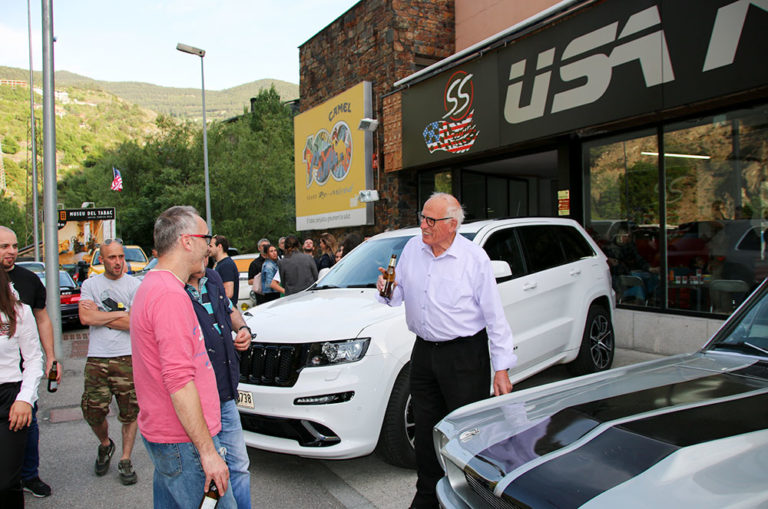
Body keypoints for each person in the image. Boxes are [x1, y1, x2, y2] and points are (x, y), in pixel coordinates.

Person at [375, 192, 516, 509]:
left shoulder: (473, 258)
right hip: (424, 353)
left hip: (464, 356)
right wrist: (385, 288)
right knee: (425, 429)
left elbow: (494, 316)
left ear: (452, 224)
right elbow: (396, 296)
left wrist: (501, 367)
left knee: (467, 431)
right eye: (422, 217)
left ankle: (469, 496)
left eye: (431, 220)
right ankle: (427, 495)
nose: (423, 225)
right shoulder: (412, 249)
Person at [130, 206, 235, 508]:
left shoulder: (154, 285)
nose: (209, 247)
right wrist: (208, 452)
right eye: (206, 238)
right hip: (184, 441)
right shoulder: (169, 295)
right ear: (187, 241)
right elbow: (179, 380)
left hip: (170, 437)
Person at [186, 267, 252, 508]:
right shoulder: (174, 288)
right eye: (202, 249)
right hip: (197, 400)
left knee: (239, 466)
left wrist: (243, 329)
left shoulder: (212, 278)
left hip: (225, 394)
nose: (205, 255)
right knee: (209, 475)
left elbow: (230, 309)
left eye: (208, 251)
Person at [77, 238, 141, 485]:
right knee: (93, 411)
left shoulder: (135, 285)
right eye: (112, 257)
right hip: (97, 357)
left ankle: (125, 458)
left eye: (121, 257)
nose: (118, 262)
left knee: (129, 412)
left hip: (127, 356)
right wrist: (121, 315)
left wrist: (100, 314)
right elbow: (85, 318)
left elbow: (135, 322)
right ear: (102, 259)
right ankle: (105, 443)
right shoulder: (90, 284)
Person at [0, 226, 55, 498]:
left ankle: (29, 475)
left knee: (28, 425)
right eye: (4, 246)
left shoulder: (28, 281)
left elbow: (42, 318)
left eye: (14, 246)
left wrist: (51, 356)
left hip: (19, 378)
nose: (11, 251)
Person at [0, 268, 43, 508]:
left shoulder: (19, 312)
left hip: (10, 401)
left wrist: (25, 398)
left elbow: (33, 360)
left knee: (6, 483)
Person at [210, 235, 239, 305]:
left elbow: (228, 293)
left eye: (211, 246)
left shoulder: (226, 265)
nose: (208, 248)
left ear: (219, 246)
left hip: (226, 308)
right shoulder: (219, 264)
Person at [247, 238, 271, 306]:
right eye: (263, 246)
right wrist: (262, 278)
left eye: (267, 246)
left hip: (275, 295)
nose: (265, 247)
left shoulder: (276, 261)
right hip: (262, 298)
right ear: (259, 248)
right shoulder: (255, 264)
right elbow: (250, 281)